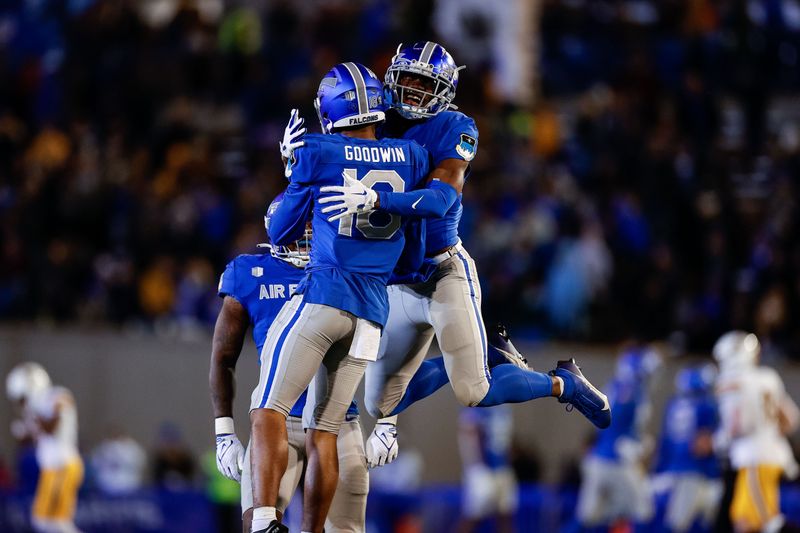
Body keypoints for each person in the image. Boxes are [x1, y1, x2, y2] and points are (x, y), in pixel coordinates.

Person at [283, 42, 611, 470]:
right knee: (380, 403)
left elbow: (439, 200)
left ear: (445, 89)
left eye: (425, 84)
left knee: (473, 390)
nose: (414, 92)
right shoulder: (377, 120)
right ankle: (488, 352)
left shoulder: (456, 126)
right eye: (409, 80)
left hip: (442, 271)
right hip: (397, 280)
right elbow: (333, 163)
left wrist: (380, 201)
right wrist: (296, 164)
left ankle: (563, 384)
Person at [249, 62, 432, 533]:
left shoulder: (317, 150)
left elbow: (279, 229)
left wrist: (294, 169)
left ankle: (268, 518)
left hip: (326, 298)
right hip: (372, 314)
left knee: (268, 407)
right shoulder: (411, 155)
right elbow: (412, 254)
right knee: (326, 431)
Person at [209, 195, 368, 532]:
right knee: (260, 525)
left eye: (312, 226)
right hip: (276, 422)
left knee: (345, 528)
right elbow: (223, 357)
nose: (307, 234)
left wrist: (388, 419)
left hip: (337, 420)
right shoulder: (250, 272)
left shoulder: (347, 270)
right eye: (300, 227)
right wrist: (224, 432)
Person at [714, 331, 799, 533]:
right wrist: (769, 433)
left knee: (760, 522)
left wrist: (718, 442)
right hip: (774, 455)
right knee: (748, 519)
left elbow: (735, 426)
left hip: (753, 457)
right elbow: (791, 419)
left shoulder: (732, 383)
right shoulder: (768, 377)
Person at [575, 345, 659, 529]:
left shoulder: (613, 386)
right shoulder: (632, 393)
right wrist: (641, 446)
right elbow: (623, 428)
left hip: (599, 457)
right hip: (618, 461)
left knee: (598, 516)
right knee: (643, 513)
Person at [6, 362, 83, 533]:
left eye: (22, 399)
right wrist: (24, 431)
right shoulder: (35, 408)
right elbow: (30, 439)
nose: (22, 404)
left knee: (49, 521)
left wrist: (32, 417)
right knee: (50, 522)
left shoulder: (57, 396)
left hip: (63, 465)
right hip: (52, 469)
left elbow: (51, 427)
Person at [653, 364, 721, 533]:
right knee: (691, 523)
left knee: (676, 521)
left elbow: (665, 442)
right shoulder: (706, 405)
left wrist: (659, 468)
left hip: (672, 470)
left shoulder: (673, 405)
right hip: (698, 471)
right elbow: (706, 442)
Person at [458, 405, 518, 533]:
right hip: (481, 469)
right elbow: (471, 434)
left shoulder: (505, 406)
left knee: (505, 514)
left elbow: (506, 439)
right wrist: (479, 465)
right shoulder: (475, 403)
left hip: (502, 467)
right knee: (474, 515)